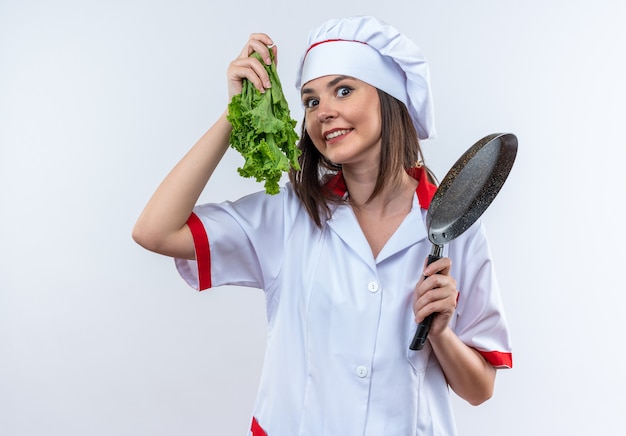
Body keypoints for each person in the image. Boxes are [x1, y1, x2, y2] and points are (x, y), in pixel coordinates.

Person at [133, 15, 512, 436]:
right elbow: (154, 231)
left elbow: (480, 390)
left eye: (344, 90)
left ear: (391, 98)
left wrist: (441, 333)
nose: (323, 112)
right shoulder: (287, 216)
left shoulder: (456, 226)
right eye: (311, 101)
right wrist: (233, 113)